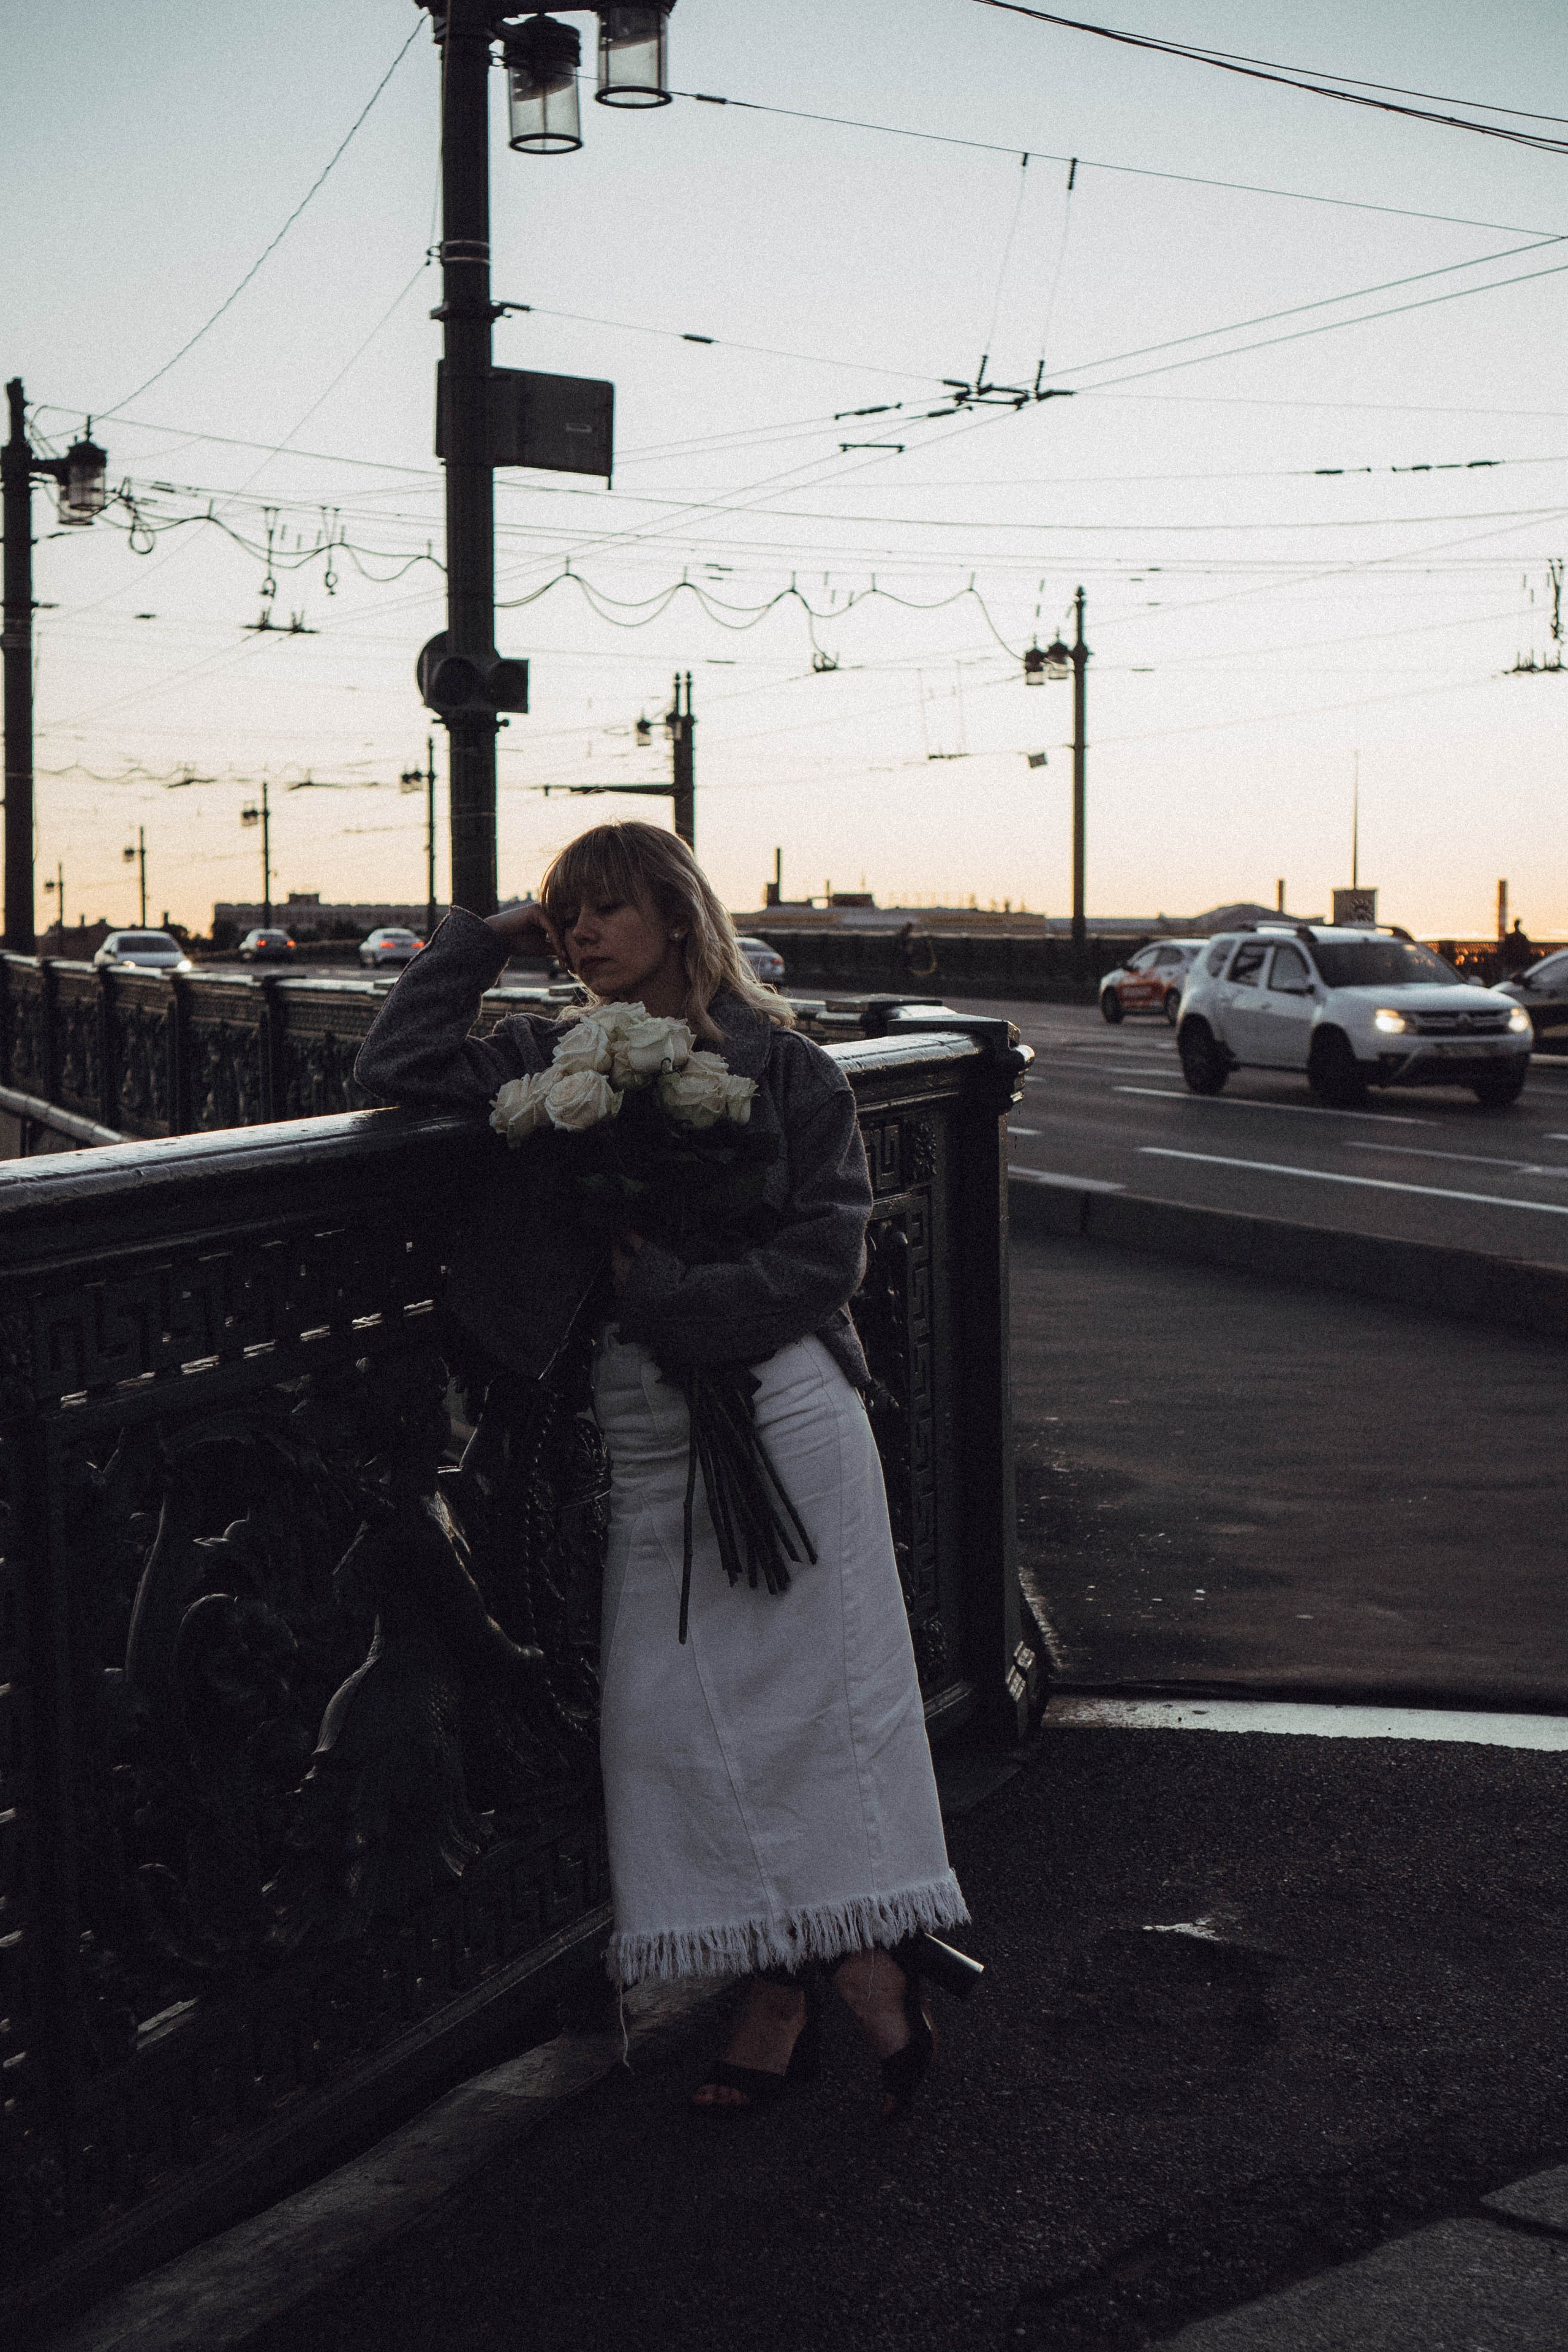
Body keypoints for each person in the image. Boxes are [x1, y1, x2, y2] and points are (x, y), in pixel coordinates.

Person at [354, 821, 970, 2117]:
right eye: (564, 915)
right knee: (670, 1724)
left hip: (785, 1420)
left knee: (810, 1718)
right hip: (641, 1433)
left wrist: (675, 1294)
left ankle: (792, 1993)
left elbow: (823, 1262)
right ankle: (853, 1961)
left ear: (680, 915)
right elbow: (396, 1062)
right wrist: (484, 938)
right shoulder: (540, 1055)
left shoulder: (788, 1068)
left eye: (605, 910)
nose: (578, 935)